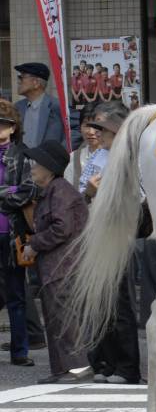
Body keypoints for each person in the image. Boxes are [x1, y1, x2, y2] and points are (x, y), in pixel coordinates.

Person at [19, 140, 92, 383]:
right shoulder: (52, 190)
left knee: (65, 317)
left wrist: (34, 244)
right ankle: (61, 369)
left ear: (49, 167)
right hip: (55, 266)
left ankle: (78, 367)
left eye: (36, 163)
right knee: (55, 317)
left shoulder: (60, 190)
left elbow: (62, 229)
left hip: (64, 265)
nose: (32, 167)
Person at [86, 101, 142, 384]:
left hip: (120, 235)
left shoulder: (131, 157)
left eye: (104, 129)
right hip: (98, 231)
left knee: (120, 304)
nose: (100, 134)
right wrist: (91, 192)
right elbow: (86, 190)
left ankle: (127, 367)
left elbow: (136, 199)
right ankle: (107, 363)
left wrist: (100, 193)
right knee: (100, 302)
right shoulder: (98, 156)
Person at [0, 102, 34, 367]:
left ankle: (20, 351)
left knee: (16, 294)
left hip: (12, 233)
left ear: (12, 128)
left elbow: (27, 191)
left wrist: (7, 193)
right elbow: (15, 191)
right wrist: (8, 191)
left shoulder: (22, 154)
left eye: (3, 123)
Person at [14, 62, 66, 148]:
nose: (18, 82)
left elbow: (74, 132)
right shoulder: (17, 107)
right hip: (21, 159)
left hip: (48, 160)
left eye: (21, 77)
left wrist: (59, 153)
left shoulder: (57, 106)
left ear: (36, 83)